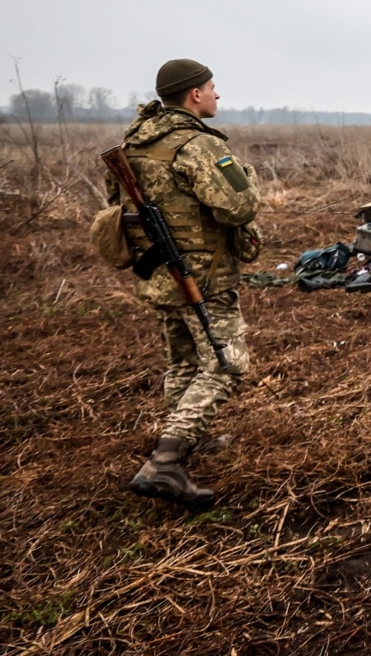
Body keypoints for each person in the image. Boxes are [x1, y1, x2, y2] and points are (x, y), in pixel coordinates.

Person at [104, 59, 262, 507]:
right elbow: (238, 207)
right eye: (212, 88)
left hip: (158, 271)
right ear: (194, 94)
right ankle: (166, 461)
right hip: (202, 274)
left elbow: (118, 208)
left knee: (185, 364)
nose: (217, 95)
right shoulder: (197, 145)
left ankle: (183, 445)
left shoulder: (134, 143)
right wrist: (249, 179)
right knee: (227, 365)